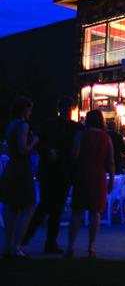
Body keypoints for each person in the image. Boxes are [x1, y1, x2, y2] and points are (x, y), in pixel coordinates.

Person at [23, 97, 82, 254]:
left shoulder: (71, 127)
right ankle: (29, 237)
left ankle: (46, 241)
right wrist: (48, 151)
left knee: (53, 208)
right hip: (54, 171)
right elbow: (38, 142)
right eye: (65, 108)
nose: (66, 111)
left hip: (60, 171)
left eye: (68, 108)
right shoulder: (57, 126)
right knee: (47, 206)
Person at [66, 109, 114, 259]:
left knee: (77, 212)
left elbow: (74, 155)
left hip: (82, 175)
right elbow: (110, 161)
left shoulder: (81, 135)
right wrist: (111, 179)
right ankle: (92, 246)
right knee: (95, 212)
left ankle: (71, 246)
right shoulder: (106, 137)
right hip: (98, 176)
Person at [0, 97, 39, 258]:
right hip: (21, 169)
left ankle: (8, 246)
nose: (30, 112)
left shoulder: (11, 126)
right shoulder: (23, 126)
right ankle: (16, 245)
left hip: (11, 168)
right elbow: (23, 149)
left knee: (12, 208)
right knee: (29, 206)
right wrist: (34, 142)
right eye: (29, 109)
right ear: (24, 110)